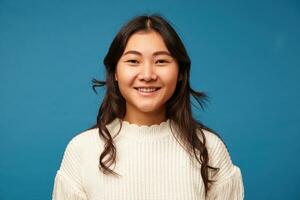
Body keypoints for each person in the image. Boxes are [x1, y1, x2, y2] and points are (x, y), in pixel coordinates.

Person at [52, 14, 244, 200]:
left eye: (161, 61)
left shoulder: (209, 148)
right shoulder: (82, 149)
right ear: (115, 72)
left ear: (180, 73)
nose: (147, 74)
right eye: (133, 61)